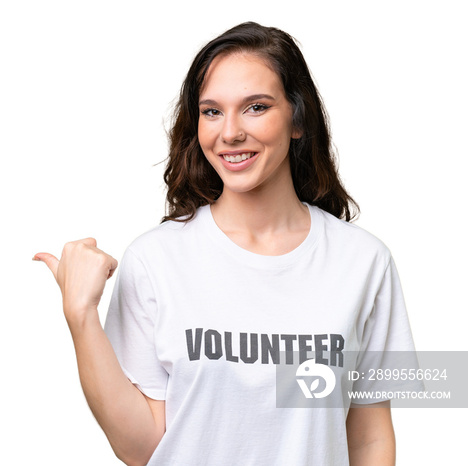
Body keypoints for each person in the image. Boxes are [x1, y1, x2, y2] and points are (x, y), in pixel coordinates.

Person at [34, 22, 420, 465]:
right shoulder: (156, 260)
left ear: (297, 119)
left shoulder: (362, 262)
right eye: (212, 111)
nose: (230, 133)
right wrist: (80, 316)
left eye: (255, 107)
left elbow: (370, 439)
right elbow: (140, 448)